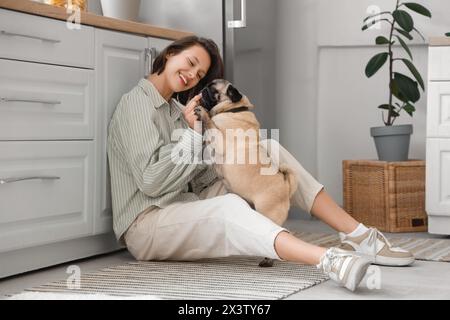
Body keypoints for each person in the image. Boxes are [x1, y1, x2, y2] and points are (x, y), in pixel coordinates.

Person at [107, 36, 414, 292]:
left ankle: (359, 236)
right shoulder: (137, 103)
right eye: (190, 63)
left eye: (199, 74)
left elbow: (193, 180)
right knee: (228, 208)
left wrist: (230, 153)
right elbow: (151, 182)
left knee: (268, 150)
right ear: (171, 53)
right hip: (147, 224)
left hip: (186, 203)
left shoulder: (178, 109)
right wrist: (192, 134)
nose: (192, 75)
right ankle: (328, 259)